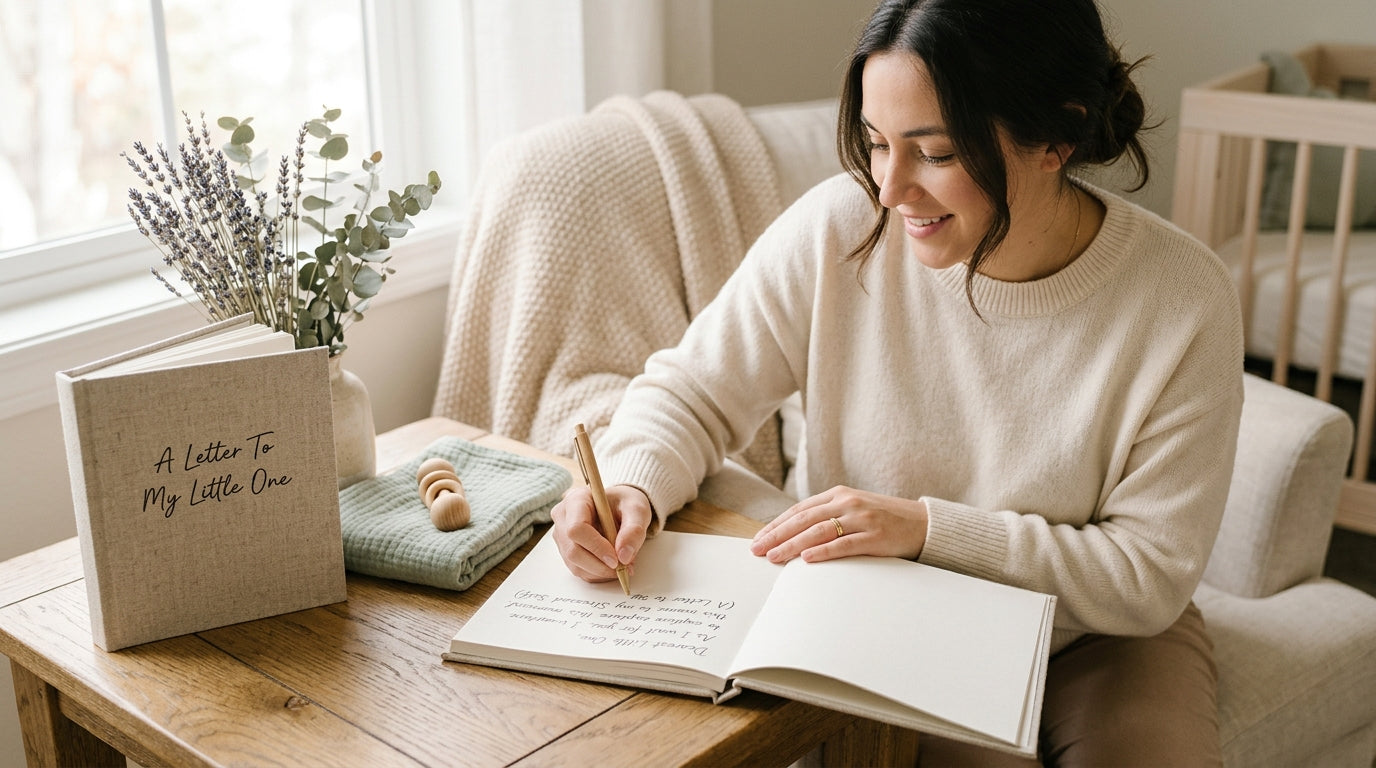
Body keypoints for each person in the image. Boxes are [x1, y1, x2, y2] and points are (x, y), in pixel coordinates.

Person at [550, 0, 1243, 764]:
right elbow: (692, 392)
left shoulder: (1184, 298)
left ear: (1058, 132)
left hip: (1099, 630)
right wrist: (631, 484)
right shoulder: (839, 230)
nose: (889, 189)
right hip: (897, 609)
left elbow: (1146, 574)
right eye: (877, 145)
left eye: (935, 152)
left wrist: (926, 530)